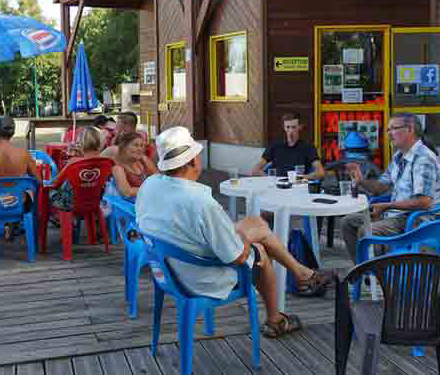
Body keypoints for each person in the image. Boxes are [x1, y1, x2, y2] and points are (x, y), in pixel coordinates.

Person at [137, 126, 335, 339]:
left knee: (255, 223)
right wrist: (243, 236)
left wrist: (241, 231)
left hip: (167, 269)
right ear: (193, 161)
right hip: (198, 276)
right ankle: (276, 318)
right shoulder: (200, 202)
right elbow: (236, 256)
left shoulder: (150, 185)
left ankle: (301, 273)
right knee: (259, 250)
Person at [340, 114, 440, 263]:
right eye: (388, 130)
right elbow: (381, 187)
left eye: (393, 129)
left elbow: (424, 202)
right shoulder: (399, 156)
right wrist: (361, 182)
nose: (389, 134)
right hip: (397, 215)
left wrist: (387, 206)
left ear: (410, 129)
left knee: (366, 231)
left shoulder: (423, 159)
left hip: (416, 219)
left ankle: (379, 273)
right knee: (348, 222)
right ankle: (364, 272)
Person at [252, 113, 324, 180]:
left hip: (297, 186)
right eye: (288, 127)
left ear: (300, 127)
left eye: (293, 127)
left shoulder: (308, 147)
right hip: (277, 186)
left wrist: (301, 178)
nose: (290, 131)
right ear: (284, 128)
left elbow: (320, 173)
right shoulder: (274, 146)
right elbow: (255, 170)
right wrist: (271, 179)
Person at [48, 126, 104, 212]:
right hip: (96, 201)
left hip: (71, 203)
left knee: (46, 190)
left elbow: (56, 183)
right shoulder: (105, 162)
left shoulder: (74, 162)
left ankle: (46, 219)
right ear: (101, 142)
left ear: (80, 143)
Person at [112, 131, 157, 199]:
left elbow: (158, 177)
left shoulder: (143, 160)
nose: (140, 149)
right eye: (135, 145)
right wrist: (151, 189)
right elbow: (127, 192)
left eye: (142, 146)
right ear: (124, 147)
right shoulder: (118, 167)